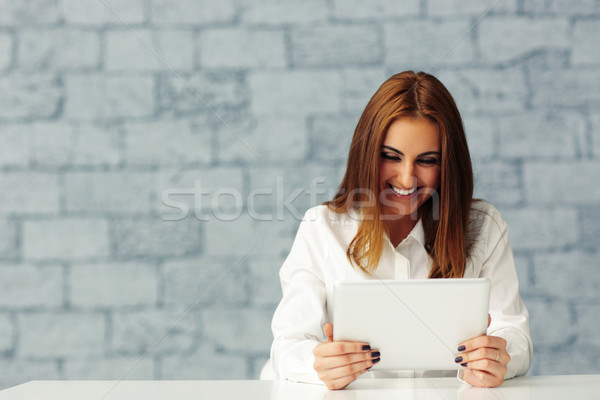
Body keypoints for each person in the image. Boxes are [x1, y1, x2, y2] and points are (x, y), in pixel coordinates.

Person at [269, 71, 532, 390]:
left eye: (427, 161)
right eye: (391, 157)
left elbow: (513, 334)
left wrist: (500, 356)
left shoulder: (483, 227)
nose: (407, 179)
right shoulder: (323, 227)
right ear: (366, 153)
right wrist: (319, 364)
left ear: (447, 165)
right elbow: (288, 345)